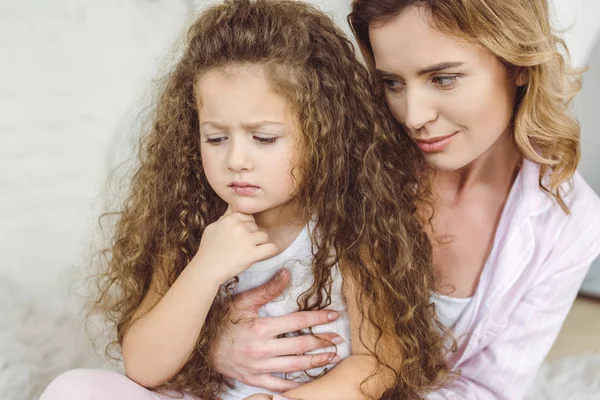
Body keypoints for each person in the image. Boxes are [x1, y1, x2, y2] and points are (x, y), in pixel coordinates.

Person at [39, 0, 450, 399]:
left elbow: (378, 363)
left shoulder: (349, 227)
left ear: (324, 134)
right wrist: (205, 269)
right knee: (72, 389)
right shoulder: (192, 223)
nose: (236, 160)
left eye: (264, 138)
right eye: (216, 138)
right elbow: (143, 368)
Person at [208, 0, 600, 399]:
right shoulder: (337, 155)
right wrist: (212, 340)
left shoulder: (569, 222)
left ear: (518, 63)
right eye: (393, 83)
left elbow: (485, 387)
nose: (413, 116)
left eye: (443, 79)